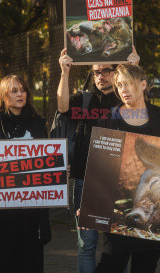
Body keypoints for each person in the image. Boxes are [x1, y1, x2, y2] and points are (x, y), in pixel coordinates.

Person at [86, 63, 160, 273]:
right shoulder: (109, 118)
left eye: (128, 84)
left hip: (155, 211)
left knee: (146, 267)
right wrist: (90, 205)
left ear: (143, 84)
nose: (123, 90)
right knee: (111, 264)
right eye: (119, 85)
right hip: (117, 208)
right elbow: (98, 166)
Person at [57, 47, 139, 273]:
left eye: (106, 71)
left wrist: (134, 67)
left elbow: (143, 105)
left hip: (119, 182)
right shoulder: (84, 100)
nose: (101, 76)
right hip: (85, 181)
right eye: (96, 72)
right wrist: (64, 72)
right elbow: (62, 106)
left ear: (117, 72)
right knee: (86, 246)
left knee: (118, 246)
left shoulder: (126, 99)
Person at [0, 75, 51, 273]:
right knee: (3, 259)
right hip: (2, 207)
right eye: (14, 91)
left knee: (30, 258)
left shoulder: (39, 123)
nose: (19, 94)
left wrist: (57, 169)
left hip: (31, 206)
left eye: (22, 90)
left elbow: (48, 158)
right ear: (4, 95)